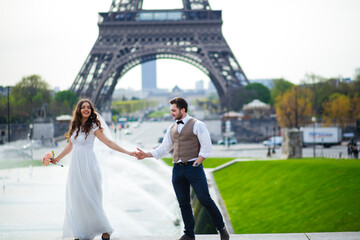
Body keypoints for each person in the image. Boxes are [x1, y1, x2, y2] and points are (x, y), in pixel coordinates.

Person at [135, 97, 230, 240]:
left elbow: (206, 147)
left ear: (183, 110)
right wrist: (145, 154)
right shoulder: (171, 128)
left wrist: (196, 163)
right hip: (177, 169)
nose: (171, 113)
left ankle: (221, 228)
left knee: (204, 199)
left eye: (174, 110)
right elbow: (163, 149)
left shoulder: (198, 125)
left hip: (193, 167)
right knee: (183, 203)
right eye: (171, 110)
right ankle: (189, 234)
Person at [46, 98, 135, 240]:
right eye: (83, 107)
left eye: (88, 107)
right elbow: (70, 146)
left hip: (89, 166)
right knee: (77, 200)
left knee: (91, 199)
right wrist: (57, 158)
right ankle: (81, 232)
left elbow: (108, 142)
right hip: (76, 168)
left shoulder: (93, 126)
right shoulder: (74, 126)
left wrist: (127, 152)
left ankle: (105, 229)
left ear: (91, 110)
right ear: (79, 110)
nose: (86, 109)